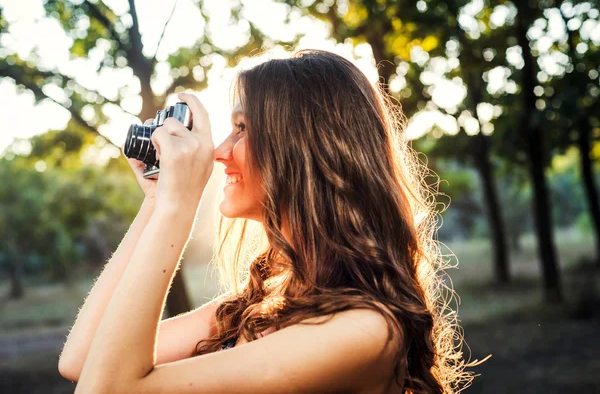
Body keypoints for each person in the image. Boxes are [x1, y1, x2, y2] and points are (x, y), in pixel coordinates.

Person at [58, 49, 478, 393]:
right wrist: (157, 202)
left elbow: (107, 390)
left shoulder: (364, 331)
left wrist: (176, 210)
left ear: (303, 150)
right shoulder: (258, 305)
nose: (220, 151)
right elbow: (81, 360)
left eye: (241, 128)